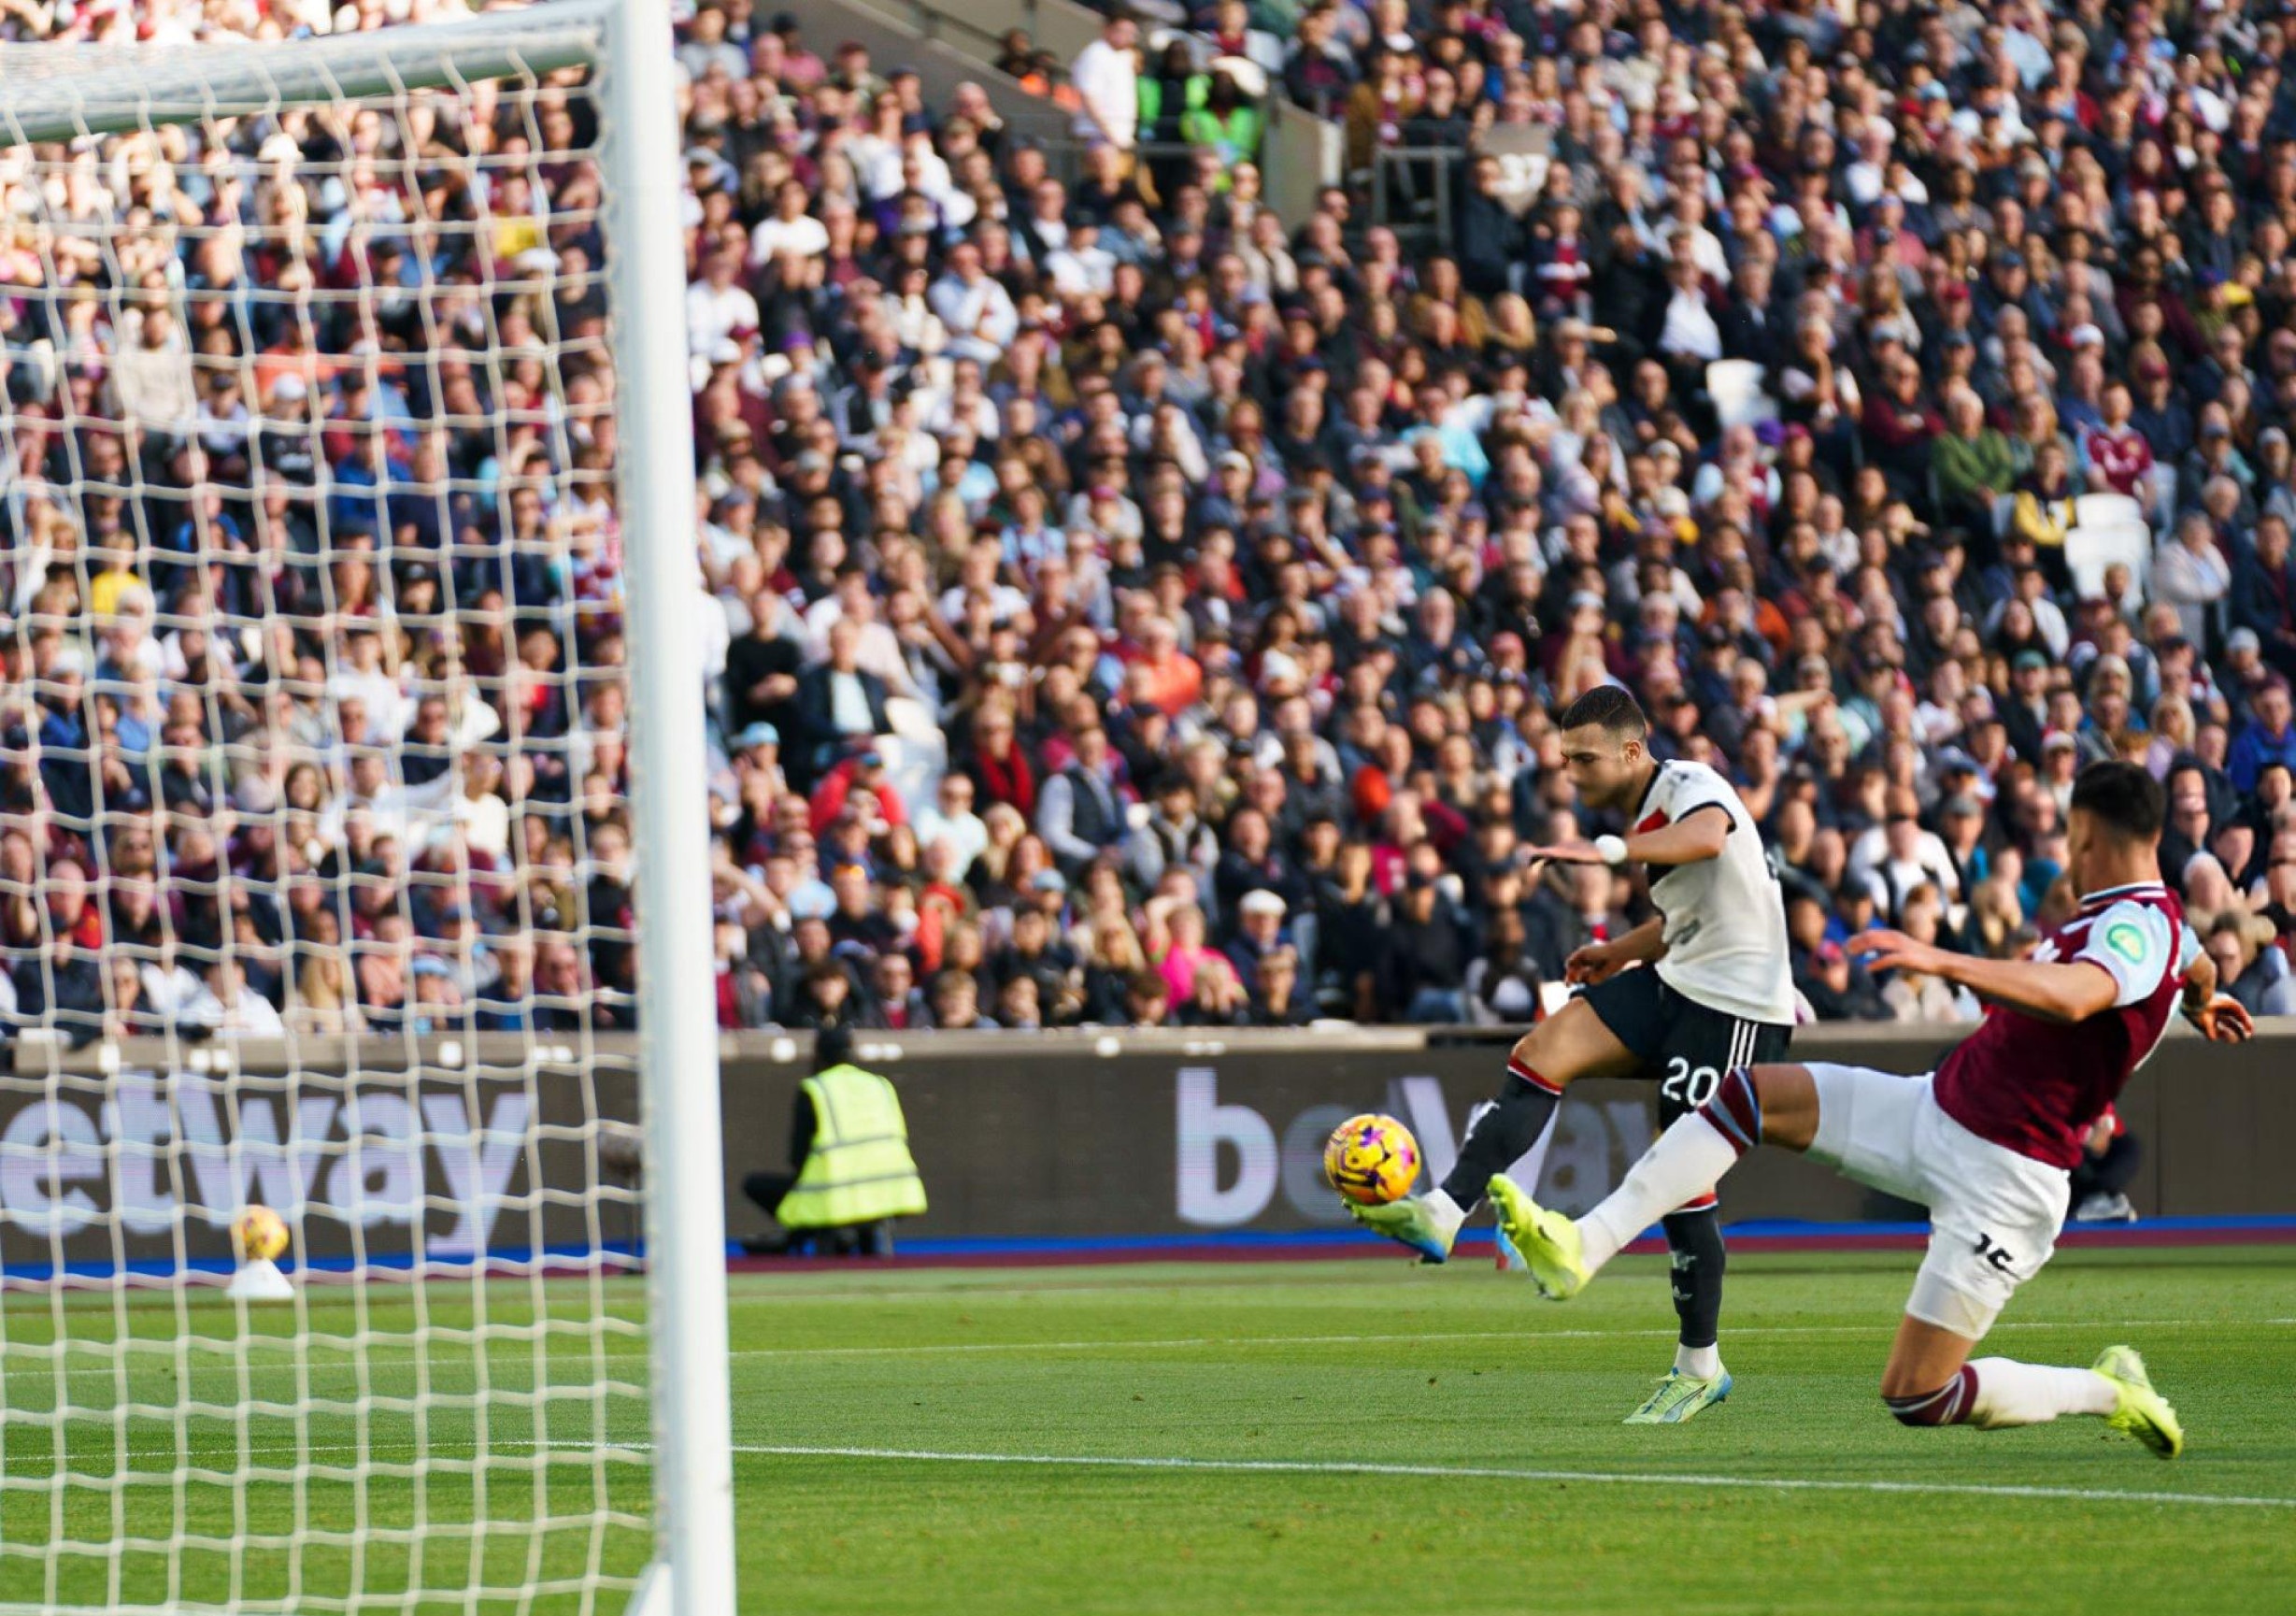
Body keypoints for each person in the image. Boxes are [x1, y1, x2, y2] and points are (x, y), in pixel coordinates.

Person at [1493, 763, 2252, 1458]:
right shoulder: (2154, 920)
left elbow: (2078, 993)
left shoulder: (2132, 925)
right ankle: (1581, 1244)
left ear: (2084, 834)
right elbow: (2193, 958)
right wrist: (2201, 998)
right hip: (1935, 1110)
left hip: (2008, 1179)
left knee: (1919, 1394)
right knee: (1749, 1093)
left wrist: (1943, 959)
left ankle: (2108, 1388)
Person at [1351, 687, 1796, 1423]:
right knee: (1543, 1048)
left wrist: (1609, 851)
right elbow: (1689, 912)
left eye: (1583, 758)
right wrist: (1617, 951)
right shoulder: (1646, 806)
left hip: (1737, 1004)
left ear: (1632, 749)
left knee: (1680, 1171)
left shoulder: (1689, 784)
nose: (1570, 772)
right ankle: (1441, 1210)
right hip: (1677, 979)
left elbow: (1710, 837)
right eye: (1562, 759)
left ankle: (1699, 1365)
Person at [739, 1024, 927, 1256]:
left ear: (817, 1054)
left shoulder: (816, 1089)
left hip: (834, 1200)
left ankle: (812, 1238)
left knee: (755, 1185)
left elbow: (798, 1158)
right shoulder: (881, 1085)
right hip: (893, 1196)